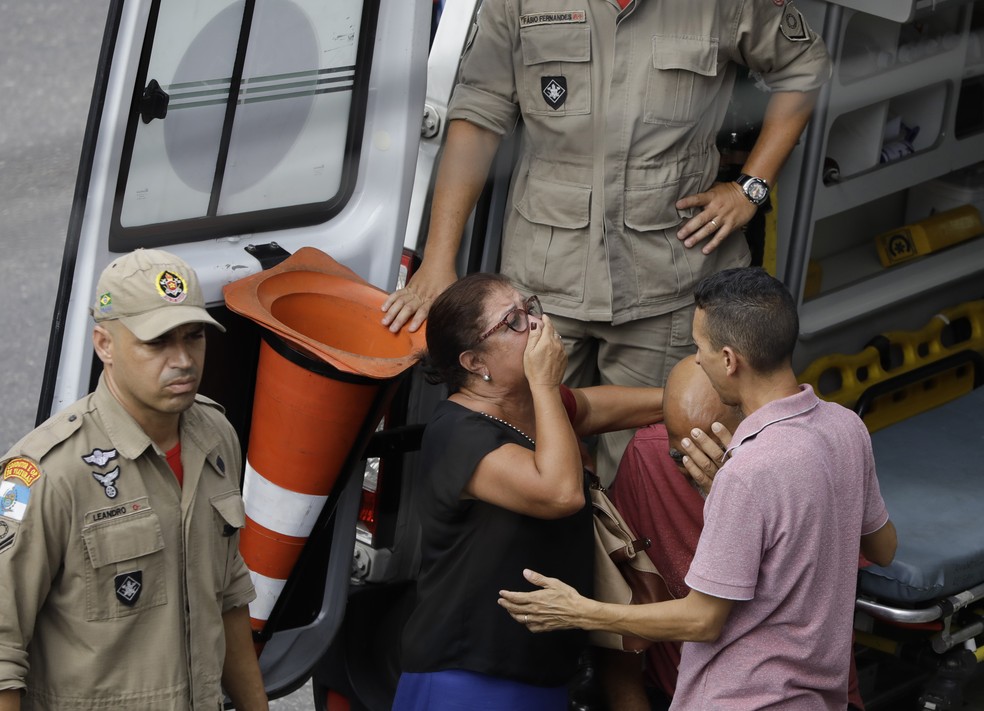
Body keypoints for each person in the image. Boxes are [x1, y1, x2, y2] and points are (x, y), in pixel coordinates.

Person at [382, 0, 832, 484]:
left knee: (656, 478)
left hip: (668, 285)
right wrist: (439, 259)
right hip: (539, 292)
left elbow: (804, 67)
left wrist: (751, 187)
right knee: (530, 465)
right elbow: (479, 118)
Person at [499, 267, 898, 709]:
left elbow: (703, 620)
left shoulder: (747, 471)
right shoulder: (846, 427)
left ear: (729, 360)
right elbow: (883, 548)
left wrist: (578, 611)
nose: (698, 359)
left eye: (699, 348)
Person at [0, 249, 267, 710]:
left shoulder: (216, 435)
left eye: (194, 337)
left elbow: (227, 598)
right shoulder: (43, 472)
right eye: (157, 342)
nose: (183, 359)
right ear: (104, 344)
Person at [393, 272, 663, 710]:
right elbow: (559, 493)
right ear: (474, 363)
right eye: (512, 322)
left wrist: (683, 399)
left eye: (530, 308)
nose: (537, 324)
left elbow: (591, 408)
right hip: (468, 679)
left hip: (540, 674)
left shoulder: (531, 406)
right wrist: (543, 384)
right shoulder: (458, 434)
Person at [605, 355, 867, 711]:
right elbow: (623, 605)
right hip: (689, 694)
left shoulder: (794, 460)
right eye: (680, 453)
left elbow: (704, 619)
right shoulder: (648, 458)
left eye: (710, 446)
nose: (694, 463)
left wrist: (739, 491)